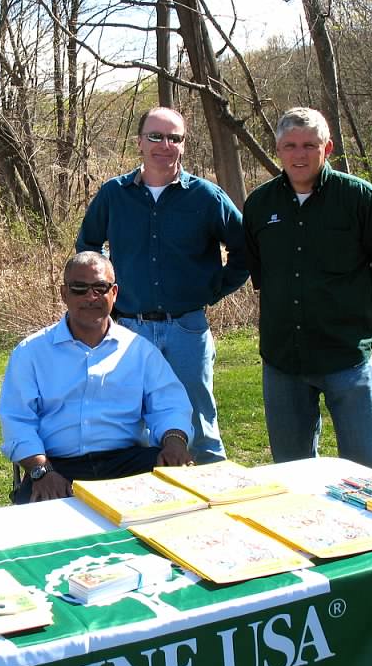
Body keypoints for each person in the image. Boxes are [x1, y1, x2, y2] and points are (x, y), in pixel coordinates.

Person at [243, 107, 372, 472]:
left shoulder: (362, 200)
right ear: (278, 150)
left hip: (345, 359)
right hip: (283, 362)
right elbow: (261, 273)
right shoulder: (260, 204)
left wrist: (349, 309)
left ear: (328, 148)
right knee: (292, 474)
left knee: (367, 473)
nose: (299, 155)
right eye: (290, 146)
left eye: (309, 145)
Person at [76, 107, 248, 464]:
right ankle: (143, 499)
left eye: (174, 138)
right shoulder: (114, 194)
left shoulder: (206, 196)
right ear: (140, 142)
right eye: (155, 136)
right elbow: (88, 248)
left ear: (183, 145)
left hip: (187, 327)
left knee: (198, 423)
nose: (164, 145)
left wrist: (214, 287)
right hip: (129, 328)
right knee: (132, 424)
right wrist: (105, 293)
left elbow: (245, 248)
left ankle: (213, 500)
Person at [0, 252, 194, 505]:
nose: (90, 297)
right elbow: (17, 420)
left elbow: (170, 405)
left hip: (128, 462)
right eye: (79, 288)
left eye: (99, 288)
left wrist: (175, 442)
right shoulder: (30, 353)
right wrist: (40, 471)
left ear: (114, 293)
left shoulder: (140, 351)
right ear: (63, 294)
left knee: (184, 508)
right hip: (56, 466)